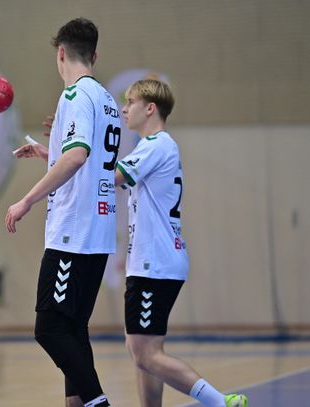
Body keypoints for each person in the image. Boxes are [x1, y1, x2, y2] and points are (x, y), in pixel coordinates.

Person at [6, 17, 121, 407]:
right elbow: (87, 159)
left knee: (51, 329)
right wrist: (49, 152)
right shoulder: (106, 100)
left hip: (74, 232)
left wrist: (27, 200)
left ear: (60, 53)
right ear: (94, 55)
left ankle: (98, 403)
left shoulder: (74, 95)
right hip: (98, 230)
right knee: (73, 329)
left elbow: (76, 156)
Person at [114, 78, 248, 407]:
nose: (124, 109)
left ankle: (219, 402)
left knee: (143, 352)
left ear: (150, 108)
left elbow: (111, 177)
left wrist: (68, 154)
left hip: (154, 263)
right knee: (144, 352)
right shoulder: (154, 146)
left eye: (130, 103)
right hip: (150, 261)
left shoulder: (156, 145)